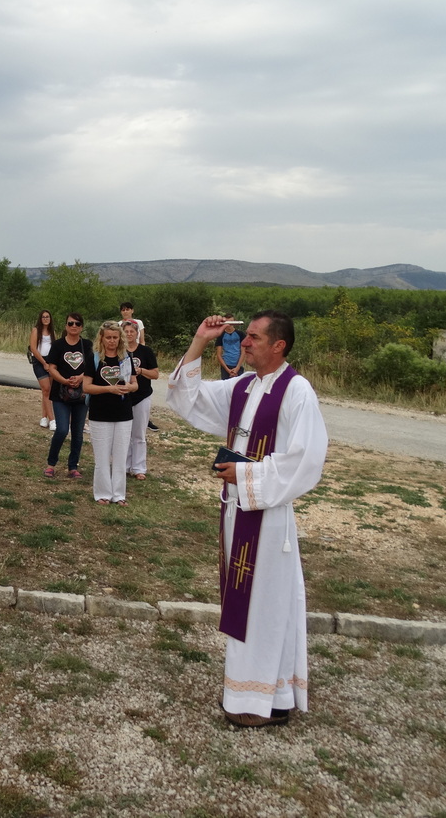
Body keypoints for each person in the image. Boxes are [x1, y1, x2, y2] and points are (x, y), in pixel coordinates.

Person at [166, 311, 328, 728]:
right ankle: (258, 695)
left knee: (266, 604)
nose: (245, 343)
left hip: (269, 517)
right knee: (249, 601)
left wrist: (246, 473)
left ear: (279, 346)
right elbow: (190, 398)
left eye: (254, 337)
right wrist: (201, 339)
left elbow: (305, 459)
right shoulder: (245, 386)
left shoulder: (297, 392)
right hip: (239, 510)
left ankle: (259, 700)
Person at [84, 320, 137, 504]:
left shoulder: (126, 357)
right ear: (102, 338)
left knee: (121, 457)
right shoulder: (94, 358)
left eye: (115, 337)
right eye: (108, 337)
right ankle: (103, 493)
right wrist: (109, 390)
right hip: (100, 413)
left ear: (120, 338)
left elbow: (135, 383)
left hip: (123, 414)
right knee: (102, 457)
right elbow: (87, 386)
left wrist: (129, 387)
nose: (112, 341)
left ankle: (119, 494)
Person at [43, 313, 91, 480]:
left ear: (81, 327)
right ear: (66, 326)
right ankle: (51, 463)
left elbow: (92, 367)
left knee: (78, 432)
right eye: (70, 323)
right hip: (60, 393)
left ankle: (73, 466)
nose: (74, 326)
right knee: (62, 429)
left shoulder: (87, 345)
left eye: (77, 323)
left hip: (81, 394)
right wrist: (63, 380)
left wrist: (81, 377)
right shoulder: (58, 345)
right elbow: (51, 367)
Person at [124, 318, 159, 481]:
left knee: (139, 433)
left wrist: (141, 370)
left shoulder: (146, 351)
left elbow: (156, 374)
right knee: (124, 433)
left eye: (132, 331)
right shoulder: (119, 351)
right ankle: (123, 466)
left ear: (137, 334)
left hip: (142, 395)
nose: (129, 334)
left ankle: (139, 467)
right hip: (123, 396)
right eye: (126, 331)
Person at [29, 310, 57, 430]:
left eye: (48, 317)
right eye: (43, 317)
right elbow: (33, 349)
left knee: (48, 392)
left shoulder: (52, 332)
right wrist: (44, 363)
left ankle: (44, 417)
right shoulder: (36, 331)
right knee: (46, 389)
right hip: (40, 361)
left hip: (50, 361)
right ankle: (52, 420)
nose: (46, 319)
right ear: (40, 319)